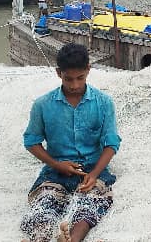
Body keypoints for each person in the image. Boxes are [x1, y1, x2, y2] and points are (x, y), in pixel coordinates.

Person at [20, 43, 121, 242]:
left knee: (88, 206)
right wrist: (56, 164)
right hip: (55, 171)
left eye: (80, 78)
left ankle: (71, 240)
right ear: (59, 73)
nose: (74, 85)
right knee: (44, 204)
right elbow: (31, 141)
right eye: (68, 79)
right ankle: (39, 239)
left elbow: (111, 144)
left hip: (91, 171)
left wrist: (94, 174)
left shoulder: (104, 102)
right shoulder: (43, 105)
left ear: (88, 71)